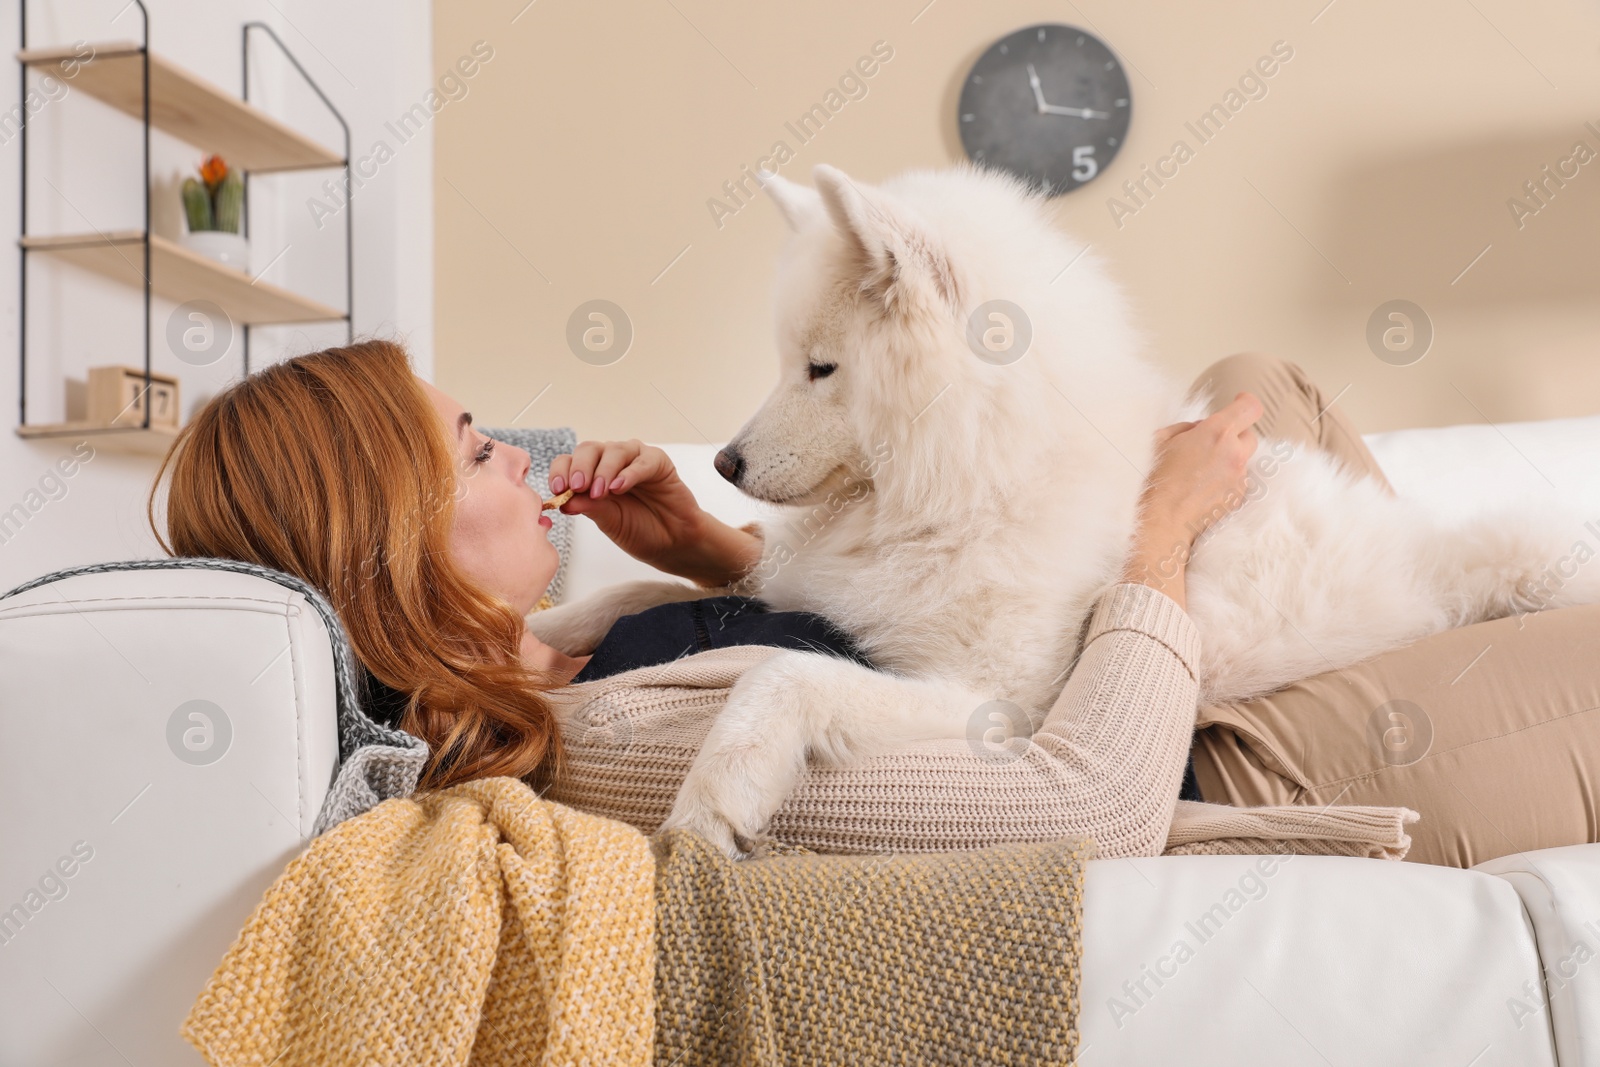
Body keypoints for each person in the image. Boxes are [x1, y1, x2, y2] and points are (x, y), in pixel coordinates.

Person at [152, 340, 1600, 866]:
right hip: (1206, 743)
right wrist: (1162, 532)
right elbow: (1079, 808)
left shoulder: (568, 651)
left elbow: (832, 636)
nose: (519, 456)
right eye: (472, 450)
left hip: (1095, 635)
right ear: (392, 536)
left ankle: (1438, 602)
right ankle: (1458, 641)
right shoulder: (598, 747)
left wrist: (713, 551)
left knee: (1259, 385)